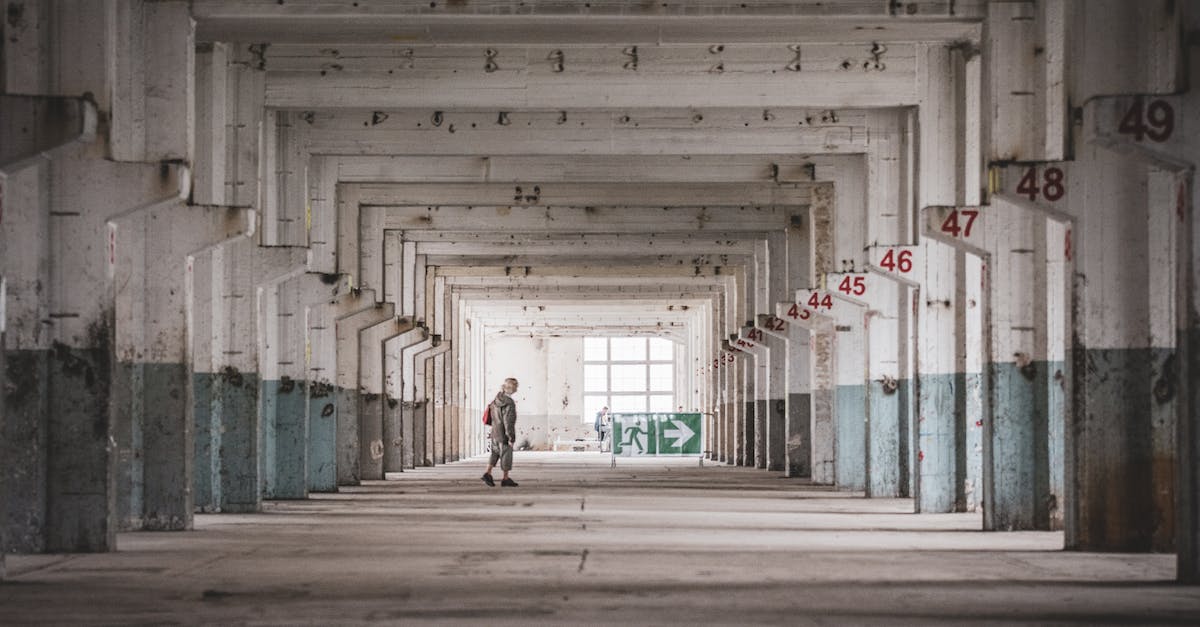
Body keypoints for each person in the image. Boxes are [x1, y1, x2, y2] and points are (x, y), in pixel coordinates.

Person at [482, 378, 520, 487]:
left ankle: (487, 473)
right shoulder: (509, 403)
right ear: (512, 388)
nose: (516, 389)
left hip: (495, 432)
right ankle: (505, 478)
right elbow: (508, 422)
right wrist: (511, 437)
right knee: (506, 454)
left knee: (495, 453)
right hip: (503, 433)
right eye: (516, 387)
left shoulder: (496, 400)